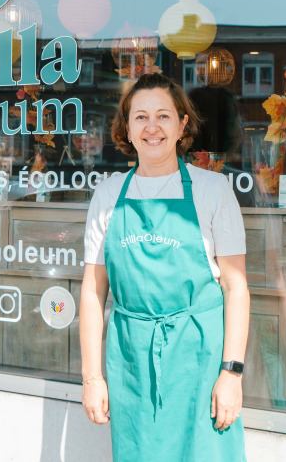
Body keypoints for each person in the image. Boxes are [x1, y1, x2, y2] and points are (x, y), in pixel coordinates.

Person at [80, 73, 249, 461]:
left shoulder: (213, 190)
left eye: (163, 116)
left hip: (200, 361)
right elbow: (92, 291)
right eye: (140, 117)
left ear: (182, 124)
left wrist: (231, 374)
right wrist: (92, 377)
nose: (151, 127)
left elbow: (236, 287)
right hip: (131, 362)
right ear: (126, 127)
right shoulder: (108, 194)